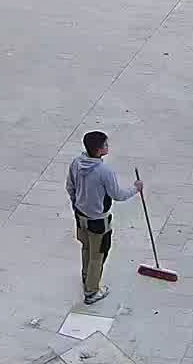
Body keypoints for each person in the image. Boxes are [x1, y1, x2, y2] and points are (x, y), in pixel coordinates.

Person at [66, 130, 143, 305]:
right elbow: (118, 195)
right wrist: (136, 188)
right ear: (99, 150)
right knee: (98, 255)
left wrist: (77, 204)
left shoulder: (76, 163)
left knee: (86, 248)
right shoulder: (104, 171)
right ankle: (92, 291)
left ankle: (86, 278)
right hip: (98, 221)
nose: (108, 146)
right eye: (106, 145)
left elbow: (70, 187)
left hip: (80, 216)